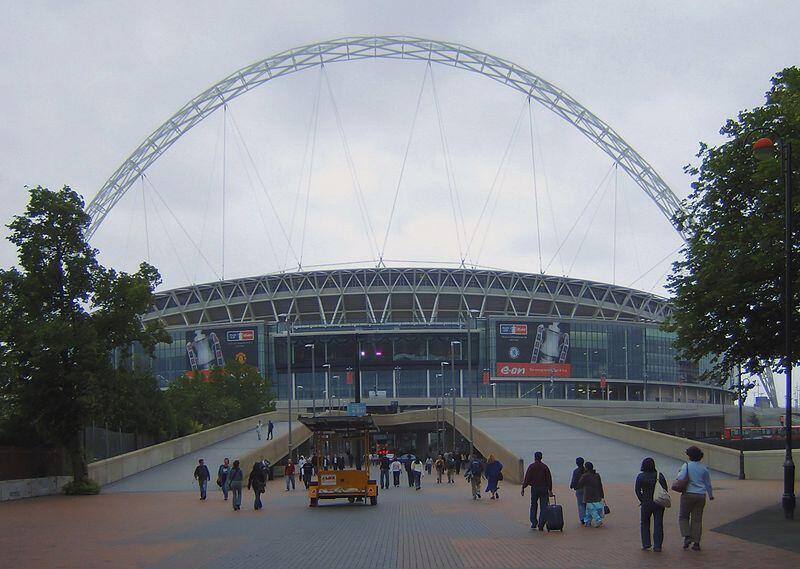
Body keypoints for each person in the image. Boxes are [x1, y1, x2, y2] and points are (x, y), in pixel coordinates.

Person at [677, 446, 714, 551]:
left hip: (688, 494)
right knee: (697, 520)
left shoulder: (686, 466)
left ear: (689, 456)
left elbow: (680, 478)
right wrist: (710, 495)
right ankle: (696, 543)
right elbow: (708, 483)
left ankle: (687, 535)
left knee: (683, 517)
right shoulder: (704, 468)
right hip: (701, 495)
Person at [635, 457, 669, 552]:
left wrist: (642, 499)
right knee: (658, 524)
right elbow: (665, 489)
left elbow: (637, 490)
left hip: (646, 503)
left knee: (645, 523)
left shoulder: (641, 476)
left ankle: (646, 543)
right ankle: (657, 545)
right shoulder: (659, 475)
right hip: (658, 503)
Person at [521, 451, 553, 530]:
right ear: (541, 457)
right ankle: (541, 524)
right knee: (544, 507)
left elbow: (527, 478)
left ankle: (534, 522)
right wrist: (550, 489)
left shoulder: (531, 467)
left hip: (534, 488)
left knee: (533, 505)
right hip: (544, 489)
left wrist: (523, 487)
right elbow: (549, 479)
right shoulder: (545, 467)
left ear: (535, 457)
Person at [575, 461, 605, 528]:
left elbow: (579, 484)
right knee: (588, 509)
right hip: (597, 494)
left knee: (591, 509)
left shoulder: (585, 476)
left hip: (588, 495)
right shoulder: (597, 475)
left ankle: (598, 520)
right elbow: (600, 485)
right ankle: (587, 522)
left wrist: (576, 487)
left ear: (586, 468)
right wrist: (602, 494)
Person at [569, 457, 586, 526]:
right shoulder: (586, 470)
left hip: (579, 489)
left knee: (580, 504)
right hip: (587, 489)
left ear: (577, 463)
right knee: (586, 504)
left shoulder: (576, 471)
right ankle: (588, 518)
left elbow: (574, 481)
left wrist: (571, 486)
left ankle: (582, 518)